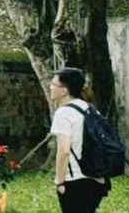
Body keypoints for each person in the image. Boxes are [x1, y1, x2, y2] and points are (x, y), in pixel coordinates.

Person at [50, 67, 109, 212]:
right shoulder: (90, 109)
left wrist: (59, 181)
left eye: (53, 84)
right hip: (97, 178)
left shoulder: (63, 113)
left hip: (75, 180)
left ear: (64, 90)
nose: (50, 87)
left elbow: (63, 151)